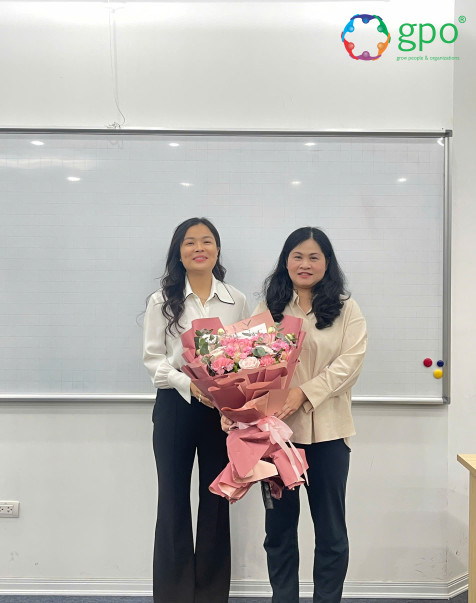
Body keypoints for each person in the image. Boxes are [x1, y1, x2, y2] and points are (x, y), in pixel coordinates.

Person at [222, 226, 367, 603]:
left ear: (327, 263)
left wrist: (304, 392)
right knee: (279, 531)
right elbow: (245, 366)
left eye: (314, 257)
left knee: (331, 531)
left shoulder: (346, 310)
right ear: (285, 262)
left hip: (329, 436)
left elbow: (349, 365)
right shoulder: (267, 309)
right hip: (275, 438)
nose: (305, 264)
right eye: (297, 256)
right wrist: (234, 407)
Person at [143, 217, 249, 603]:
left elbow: (244, 358)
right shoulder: (161, 301)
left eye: (207, 241)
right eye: (190, 242)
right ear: (179, 251)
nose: (199, 248)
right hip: (176, 407)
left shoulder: (236, 300)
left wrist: (229, 394)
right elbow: (154, 361)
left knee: (217, 501)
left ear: (217, 250)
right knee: (172, 500)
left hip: (222, 413)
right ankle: (173, 595)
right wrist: (191, 385)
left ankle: (210, 594)